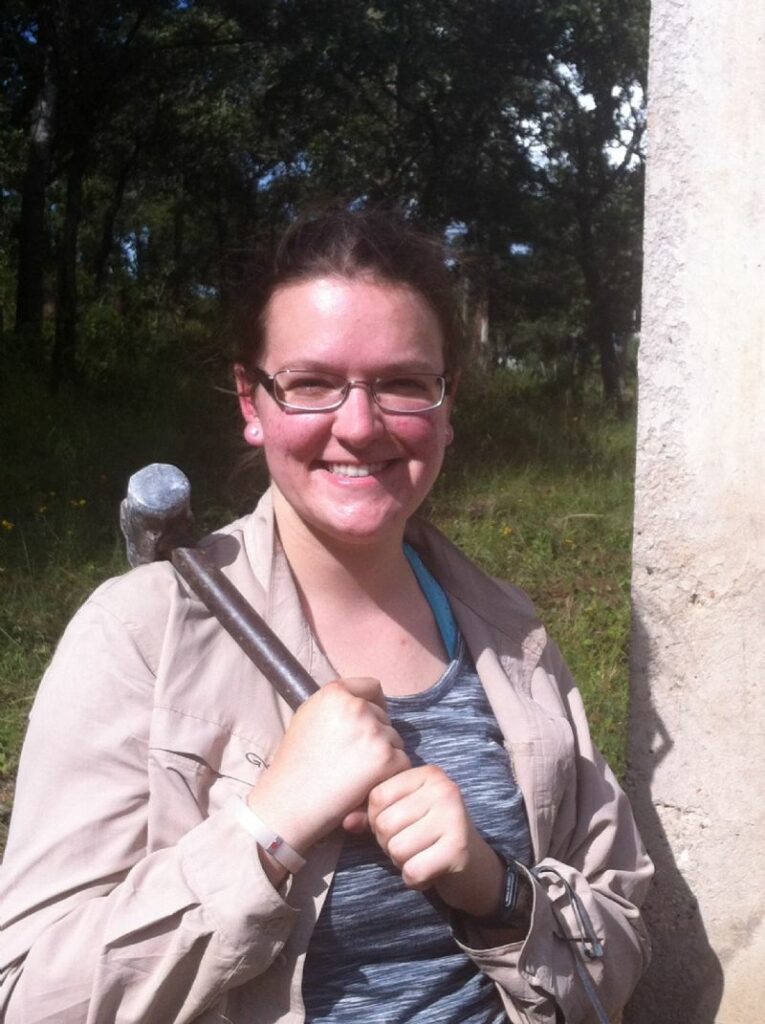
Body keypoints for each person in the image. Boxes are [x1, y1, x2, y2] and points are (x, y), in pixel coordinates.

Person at [0, 209, 652, 1024]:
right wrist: (265, 830)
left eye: (404, 383)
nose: (358, 425)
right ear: (253, 399)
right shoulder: (137, 637)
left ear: (447, 407)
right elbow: (31, 997)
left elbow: (619, 940)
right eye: (311, 384)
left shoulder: (511, 635)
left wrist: (497, 890)